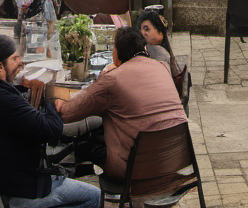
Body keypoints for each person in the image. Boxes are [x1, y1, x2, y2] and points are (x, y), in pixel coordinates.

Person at [0, 34, 100, 208]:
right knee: (95, 197)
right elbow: (51, 130)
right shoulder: (2, 99)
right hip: (20, 188)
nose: (20, 63)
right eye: (14, 59)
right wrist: (47, 98)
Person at [58, 28, 186, 193]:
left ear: (117, 53)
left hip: (134, 171)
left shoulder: (112, 79)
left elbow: (67, 113)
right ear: (144, 49)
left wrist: (57, 100)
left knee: (90, 142)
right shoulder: (162, 67)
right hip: (173, 161)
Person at [135, 9, 179, 74]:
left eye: (147, 29)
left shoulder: (161, 55)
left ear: (159, 32)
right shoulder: (149, 48)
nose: (143, 32)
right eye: (141, 30)